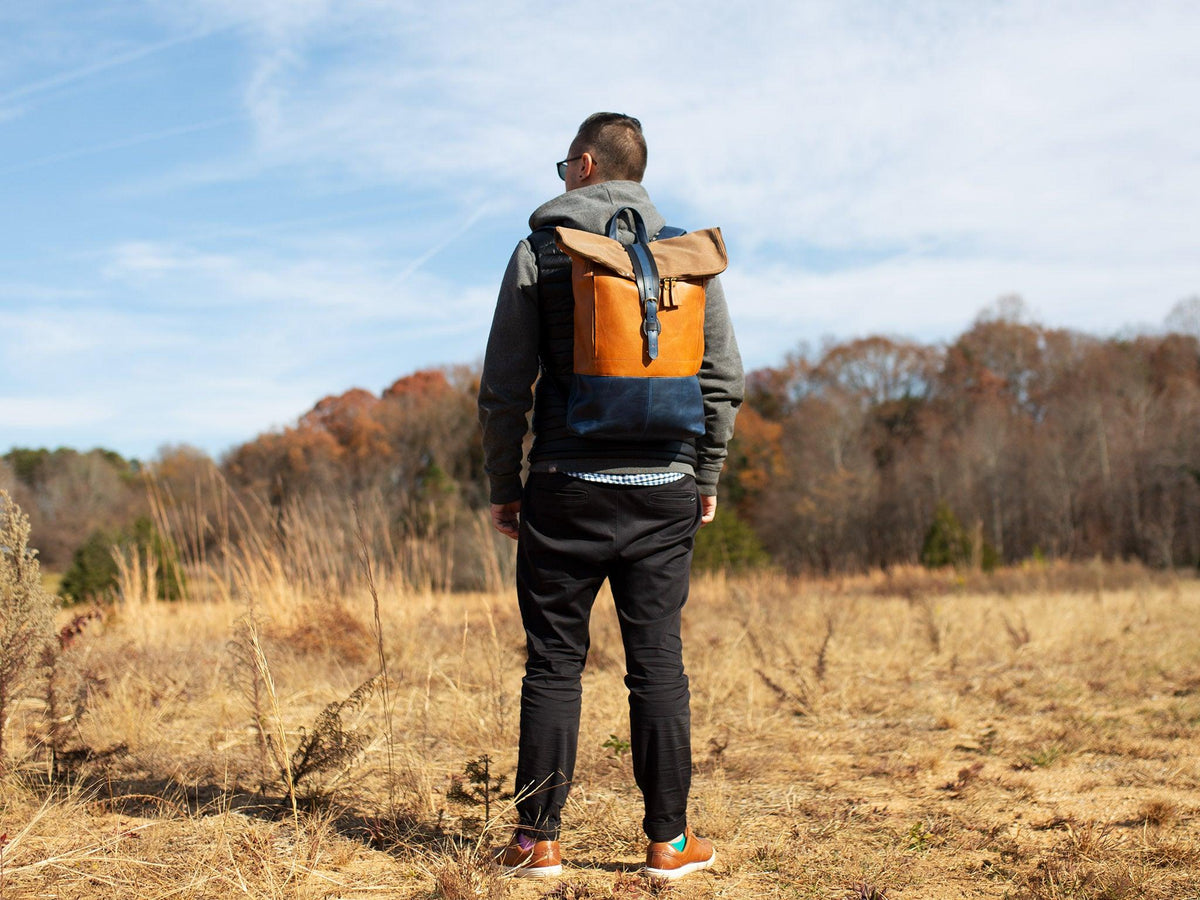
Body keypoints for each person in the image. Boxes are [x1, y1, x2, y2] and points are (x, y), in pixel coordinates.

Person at [477, 112, 743, 880]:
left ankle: (538, 842)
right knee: (656, 662)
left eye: (564, 163)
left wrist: (506, 485)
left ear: (586, 165)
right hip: (665, 487)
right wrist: (707, 474)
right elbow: (724, 381)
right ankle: (669, 842)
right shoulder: (686, 256)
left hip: (564, 486)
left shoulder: (539, 252)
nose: (560, 174)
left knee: (554, 664)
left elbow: (503, 388)